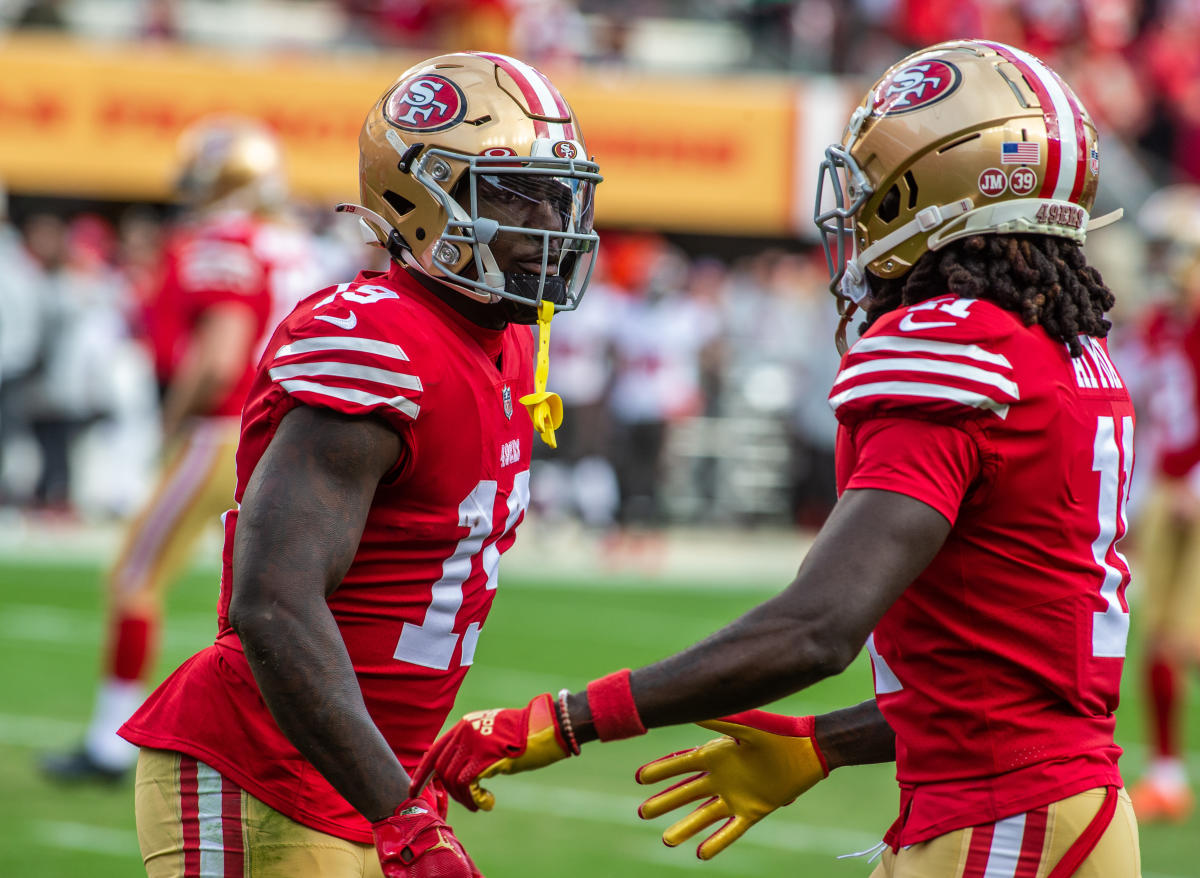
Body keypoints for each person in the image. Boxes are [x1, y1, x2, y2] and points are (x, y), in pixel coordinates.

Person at [414, 39, 1142, 877]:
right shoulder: (1061, 351)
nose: (857, 207)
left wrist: (573, 716)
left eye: (873, 180)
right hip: (1067, 807)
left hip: (999, 822)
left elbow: (817, 627)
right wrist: (823, 743)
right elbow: (999, 684)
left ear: (933, 185)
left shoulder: (955, 344)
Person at [116, 52, 600, 877]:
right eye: (515, 196)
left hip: (367, 776)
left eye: (559, 195)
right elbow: (272, 603)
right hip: (265, 772)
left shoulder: (510, 343)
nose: (548, 224)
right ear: (420, 203)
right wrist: (404, 813)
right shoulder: (375, 339)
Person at [40, 117, 321, 782]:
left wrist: (169, 422)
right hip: (283, 436)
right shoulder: (290, 244)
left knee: (135, 577)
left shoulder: (223, 241)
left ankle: (110, 747)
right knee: (263, 601)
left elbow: (221, 356)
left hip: (224, 431)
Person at [1120, 186, 1200, 823]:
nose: (1164, 264)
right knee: (1156, 639)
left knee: (1184, 640)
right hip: (1167, 492)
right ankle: (1169, 777)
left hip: (1192, 492)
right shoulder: (1159, 324)